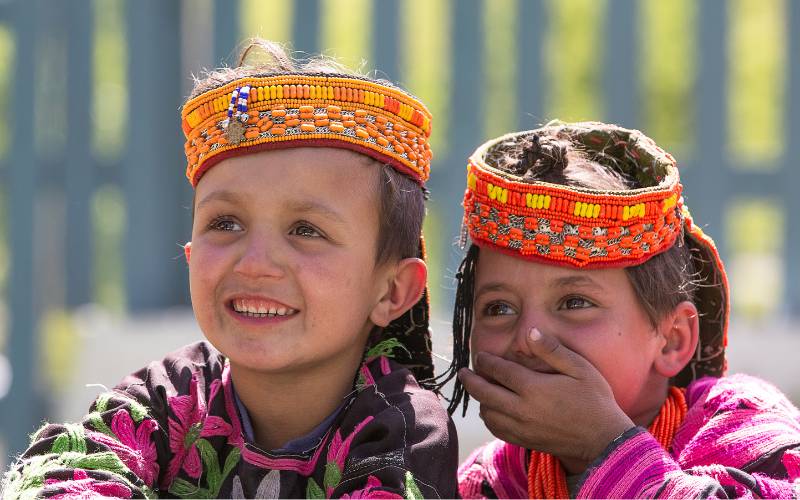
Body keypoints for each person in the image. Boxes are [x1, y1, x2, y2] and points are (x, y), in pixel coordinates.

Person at [3, 40, 457, 498]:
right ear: (191, 254)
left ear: (392, 291)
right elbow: (65, 474)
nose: (255, 262)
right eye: (225, 223)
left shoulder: (401, 428)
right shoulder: (167, 398)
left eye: (305, 230)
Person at [442, 121, 800, 498]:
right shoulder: (489, 482)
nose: (529, 338)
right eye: (498, 308)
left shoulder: (741, 426)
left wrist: (602, 446)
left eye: (575, 303)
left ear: (672, 340)